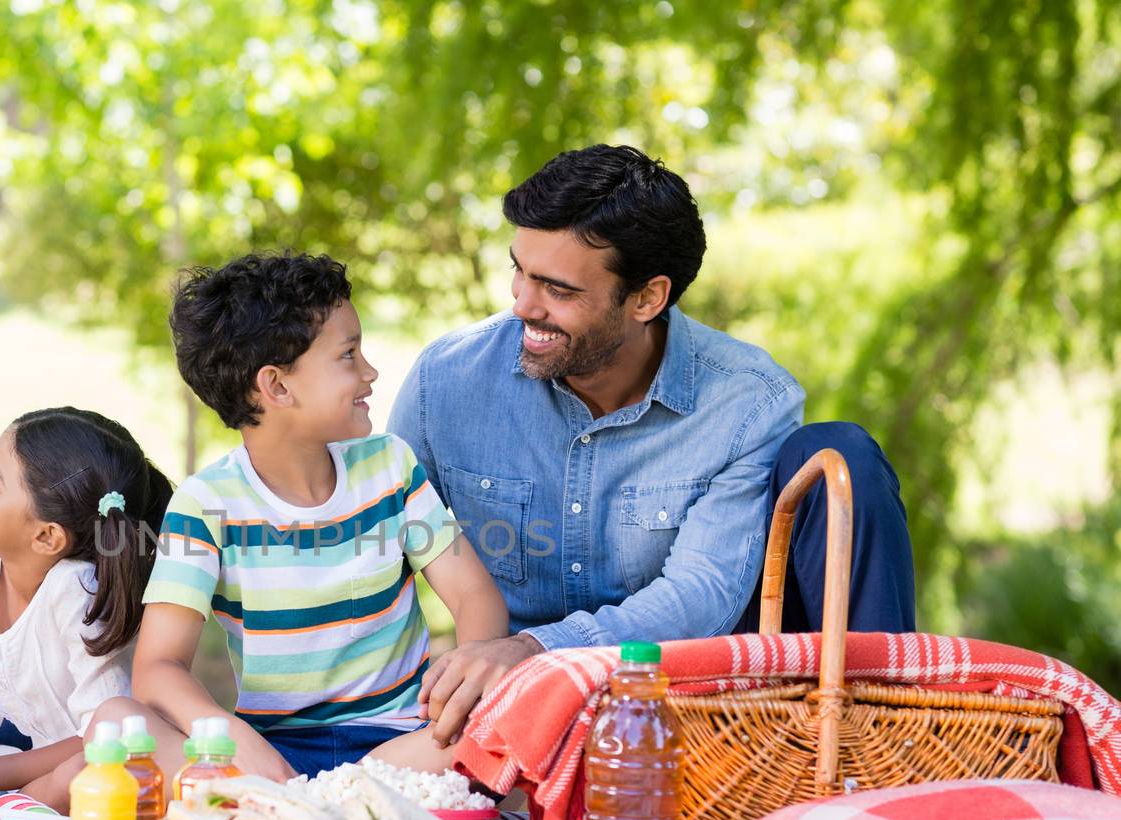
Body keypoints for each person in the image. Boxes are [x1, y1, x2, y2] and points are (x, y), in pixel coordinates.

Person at [388, 144, 916, 721]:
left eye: (557, 290)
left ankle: (876, 736)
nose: (521, 306)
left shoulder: (746, 400)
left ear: (647, 298)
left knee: (840, 453)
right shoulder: (447, 380)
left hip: (686, 695)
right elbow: (368, 544)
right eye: (519, 271)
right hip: (517, 708)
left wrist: (536, 649)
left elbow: (704, 593)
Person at [117, 252, 510, 780]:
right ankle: (316, 804)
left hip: (403, 743)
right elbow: (157, 670)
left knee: (507, 715)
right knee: (115, 720)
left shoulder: (390, 466)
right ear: (277, 387)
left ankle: (322, 805)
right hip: (273, 755)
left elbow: (472, 593)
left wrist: (467, 683)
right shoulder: (204, 505)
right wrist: (240, 745)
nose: (370, 372)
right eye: (349, 355)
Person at [0, 407, 183, 810]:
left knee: (75, 776)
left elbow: (101, 737)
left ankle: (6, 808)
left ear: (47, 536)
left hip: (94, 769)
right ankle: (5, 808)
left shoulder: (76, 590)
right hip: (29, 773)